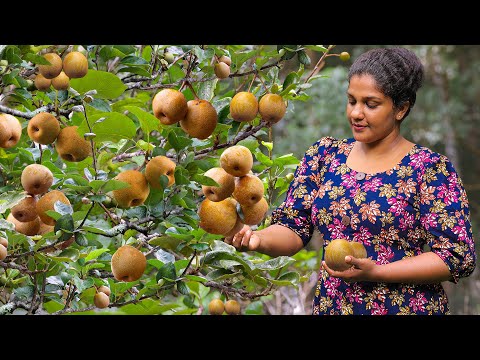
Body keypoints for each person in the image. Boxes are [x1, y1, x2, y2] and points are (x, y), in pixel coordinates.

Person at [224, 47, 476, 315]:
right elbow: (293, 228)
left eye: (371, 104)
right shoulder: (324, 156)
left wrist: (378, 272)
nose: (356, 113)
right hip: (334, 308)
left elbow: (456, 257)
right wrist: (257, 240)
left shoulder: (429, 169)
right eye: (352, 101)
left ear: (401, 108)